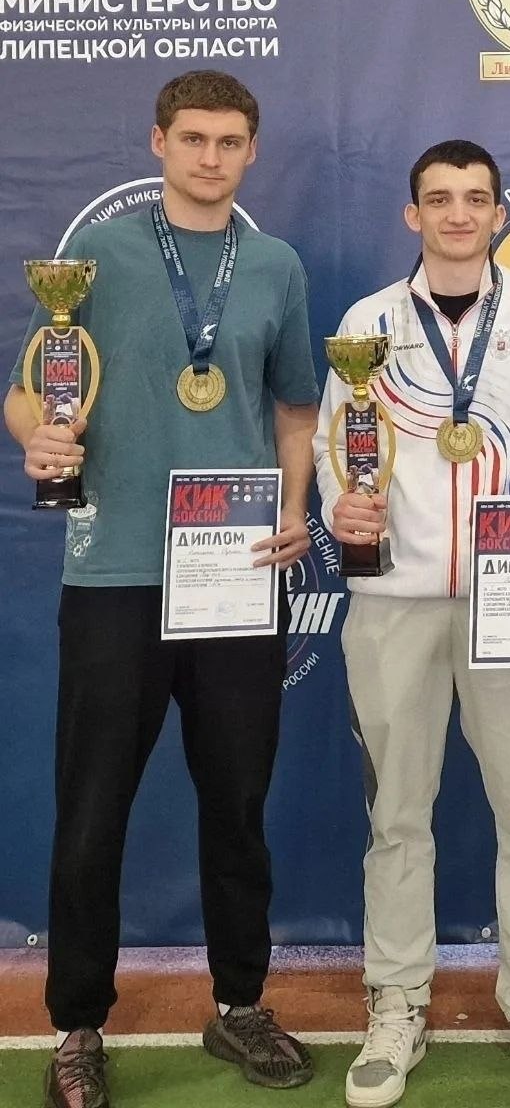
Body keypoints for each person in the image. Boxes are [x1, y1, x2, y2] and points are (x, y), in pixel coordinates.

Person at [4, 70, 319, 1108]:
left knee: (237, 801)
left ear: (252, 151)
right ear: (158, 143)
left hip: (235, 572)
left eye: (230, 141)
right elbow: (30, 388)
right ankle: (77, 1024)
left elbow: (296, 410)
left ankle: (239, 1003)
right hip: (116, 572)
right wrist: (37, 437)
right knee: (93, 808)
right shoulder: (96, 255)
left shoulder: (274, 266)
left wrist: (296, 508)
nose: (211, 157)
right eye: (194, 138)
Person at [314, 140, 510, 1108]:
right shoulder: (366, 323)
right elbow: (333, 448)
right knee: (397, 813)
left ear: (497, 213)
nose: (457, 214)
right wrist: (338, 509)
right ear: (413, 214)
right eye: (438, 199)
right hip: (392, 601)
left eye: (475, 198)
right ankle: (398, 999)